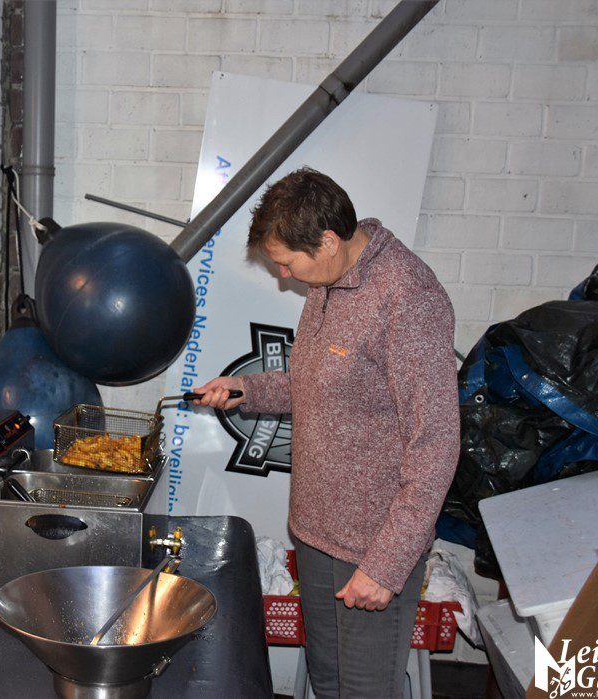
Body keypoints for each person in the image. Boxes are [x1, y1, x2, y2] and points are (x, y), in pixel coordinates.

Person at [195, 168, 459, 698]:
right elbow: (319, 385)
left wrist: (386, 565)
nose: (283, 276)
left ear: (329, 241)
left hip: (370, 546)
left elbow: (436, 444)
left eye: (288, 263)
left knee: (363, 692)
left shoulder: (408, 297)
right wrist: (247, 389)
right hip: (315, 533)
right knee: (327, 681)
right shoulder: (329, 282)